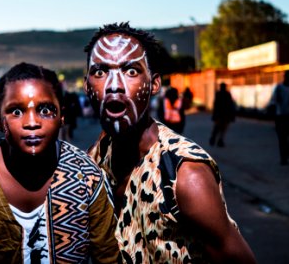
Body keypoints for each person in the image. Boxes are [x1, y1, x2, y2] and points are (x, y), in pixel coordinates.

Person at [83, 22, 256, 263]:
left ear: (154, 84)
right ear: (87, 85)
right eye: (100, 72)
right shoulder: (95, 159)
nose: (113, 84)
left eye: (131, 71)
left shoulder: (184, 174)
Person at [0, 62, 118, 263]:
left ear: (62, 117)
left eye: (45, 110)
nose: (32, 122)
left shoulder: (86, 175)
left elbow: (108, 256)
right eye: (16, 111)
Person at [209, 82, 236, 147]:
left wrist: (214, 114)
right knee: (223, 129)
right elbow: (230, 105)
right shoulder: (227, 94)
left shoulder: (218, 94)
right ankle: (219, 140)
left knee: (216, 127)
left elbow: (215, 105)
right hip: (225, 114)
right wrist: (232, 115)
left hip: (219, 114)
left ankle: (213, 138)